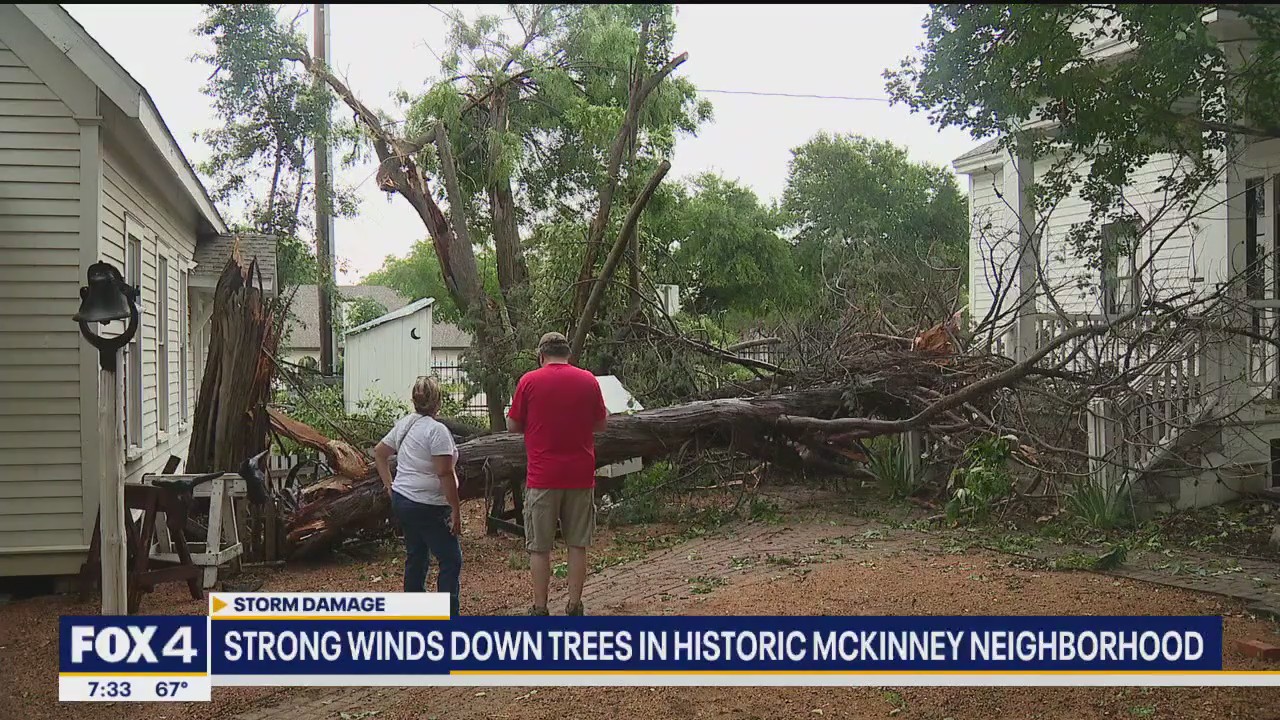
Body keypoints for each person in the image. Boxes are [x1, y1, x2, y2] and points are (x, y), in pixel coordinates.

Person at [507, 331, 608, 616]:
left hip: (543, 476)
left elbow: (513, 425)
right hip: (580, 475)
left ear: (541, 355)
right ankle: (574, 605)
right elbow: (601, 424)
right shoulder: (588, 380)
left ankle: (540, 607)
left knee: (540, 547)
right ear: (568, 354)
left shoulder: (529, 381)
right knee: (577, 544)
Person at [374, 376, 463, 616]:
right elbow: (444, 473)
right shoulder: (437, 431)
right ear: (438, 402)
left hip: (403, 500)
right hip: (429, 504)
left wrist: (390, 486)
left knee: (417, 555)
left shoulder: (405, 424)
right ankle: (448, 616)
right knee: (450, 559)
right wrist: (455, 510)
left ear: (414, 400)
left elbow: (380, 453)